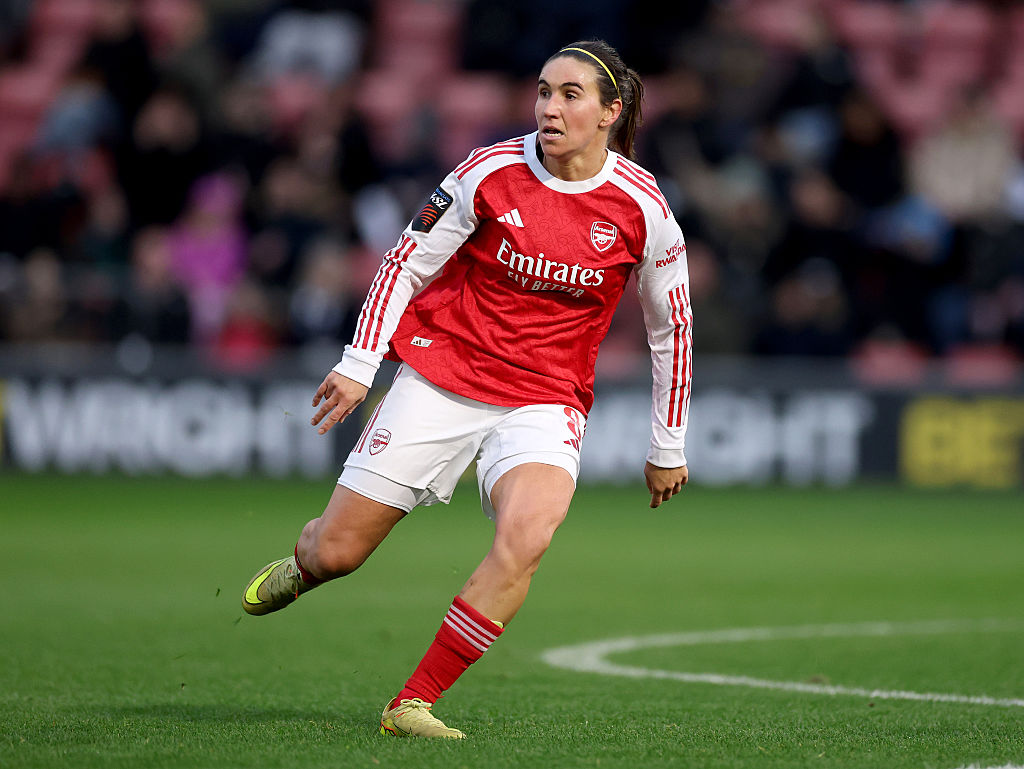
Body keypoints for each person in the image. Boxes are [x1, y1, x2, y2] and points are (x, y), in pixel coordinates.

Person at [241, 39, 693, 739]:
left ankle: (411, 702)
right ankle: (303, 565)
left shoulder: (644, 208)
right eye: (544, 91)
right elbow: (405, 261)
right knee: (338, 552)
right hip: (444, 376)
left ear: (611, 112)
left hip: (546, 399)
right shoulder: (489, 171)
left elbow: (673, 327)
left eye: (570, 94)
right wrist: (362, 362)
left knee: (528, 537)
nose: (549, 106)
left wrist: (668, 441)